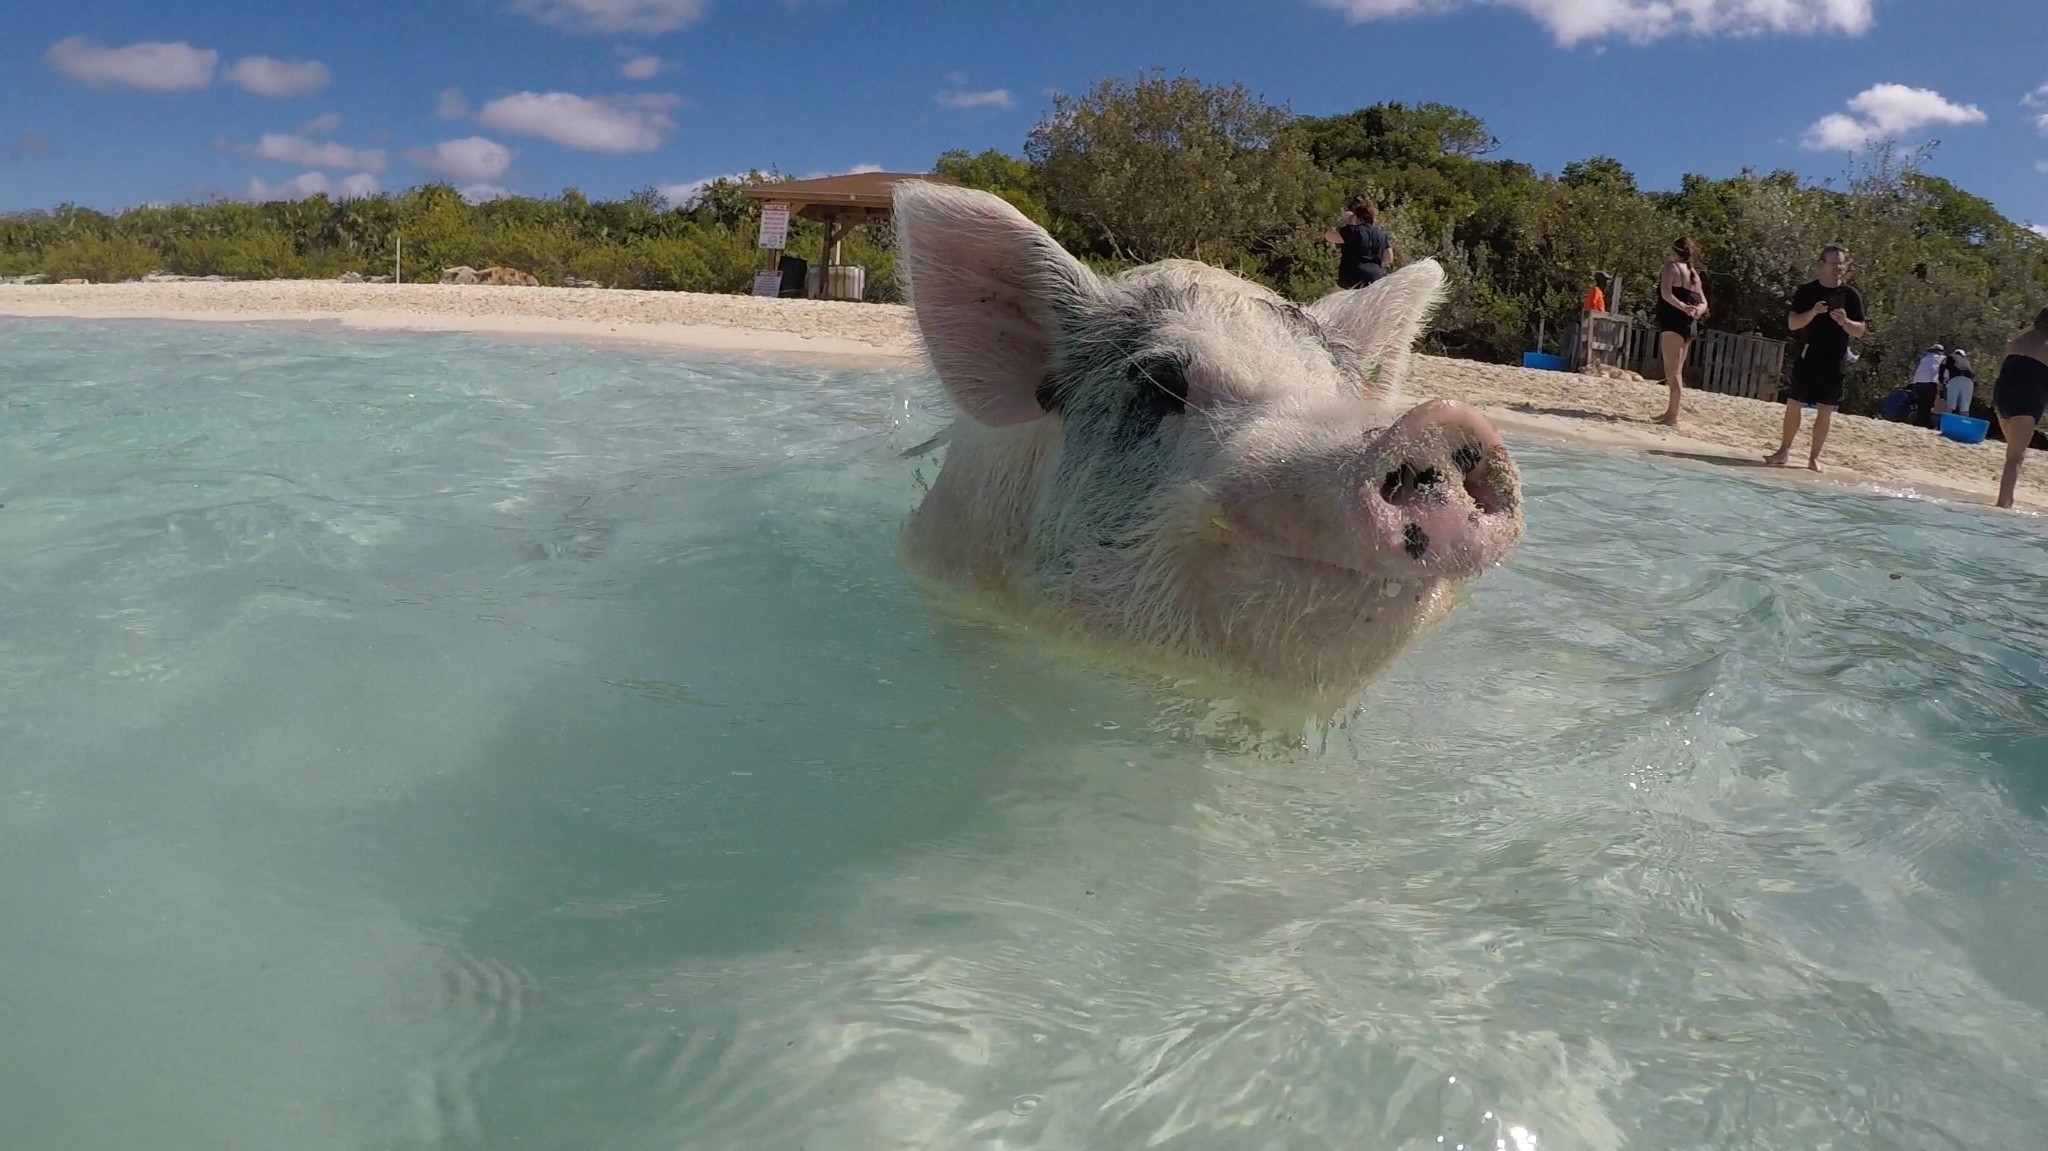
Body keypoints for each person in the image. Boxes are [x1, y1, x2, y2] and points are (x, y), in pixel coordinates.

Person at [1765, 244, 1867, 473]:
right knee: (1794, 404)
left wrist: (1845, 322)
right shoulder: (1806, 291)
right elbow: (1792, 323)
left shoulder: (1850, 295)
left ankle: (1814, 458)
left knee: (1826, 409)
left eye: (1841, 264)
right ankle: (1783, 452)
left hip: (1836, 357)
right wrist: (1812, 312)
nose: (1838, 268)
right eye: (1833, 263)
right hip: (1809, 353)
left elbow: (1860, 330)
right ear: (1821, 264)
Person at [1991, 307, 2048, 509]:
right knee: (2014, 458)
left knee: (2014, 452)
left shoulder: (2017, 341)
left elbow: (1999, 371)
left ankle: (2008, 500)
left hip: (2001, 397)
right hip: (2026, 400)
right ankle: (2003, 505)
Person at [1653, 238, 1707, 427]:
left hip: (1674, 321)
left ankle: (1673, 416)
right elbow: (1704, 302)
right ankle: (1670, 412)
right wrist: (1696, 311)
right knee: (1677, 370)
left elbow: (1666, 293)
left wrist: (1683, 307)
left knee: (1671, 371)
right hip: (1688, 325)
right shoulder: (1694, 274)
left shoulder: (1672, 267)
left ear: (1674, 251)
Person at [1324, 196, 1396, 290]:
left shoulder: (1352, 231)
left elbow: (1328, 236)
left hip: (1351, 279)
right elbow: (1389, 258)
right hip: (1375, 280)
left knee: (1335, 303)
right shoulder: (1381, 234)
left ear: (1356, 217)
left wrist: (1343, 221)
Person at [1909, 343, 1946, 427]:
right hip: (1931, 382)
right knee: (1929, 403)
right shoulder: (1943, 359)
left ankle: (1919, 421)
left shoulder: (1924, 359)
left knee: (1921, 402)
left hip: (1918, 382)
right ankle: (1927, 423)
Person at [1942, 347, 1975, 416]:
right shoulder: (1967, 361)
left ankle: (1947, 423)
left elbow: (1944, 370)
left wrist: (1942, 382)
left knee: (1950, 406)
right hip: (1969, 382)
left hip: (1955, 380)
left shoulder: (1950, 357)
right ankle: (1963, 424)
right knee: (1965, 408)